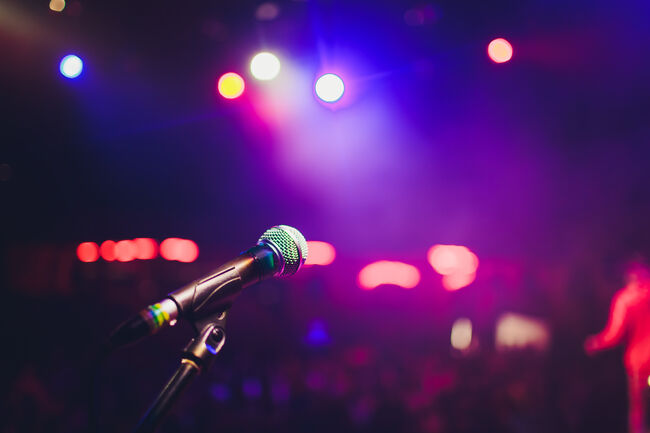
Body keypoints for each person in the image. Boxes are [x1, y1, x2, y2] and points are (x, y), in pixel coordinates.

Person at [585, 262, 650, 433]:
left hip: (640, 365)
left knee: (639, 415)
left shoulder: (625, 299)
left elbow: (614, 334)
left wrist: (596, 343)